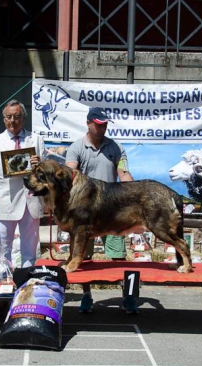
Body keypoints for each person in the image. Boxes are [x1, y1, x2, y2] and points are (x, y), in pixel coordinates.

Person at [65, 107, 137, 313]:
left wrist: (134, 195)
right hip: (85, 214)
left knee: (118, 256)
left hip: (112, 212)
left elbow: (124, 173)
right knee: (83, 258)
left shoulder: (116, 147)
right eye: (98, 124)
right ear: (88, 123)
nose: (102, 127)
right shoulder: (76, 148)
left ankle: (129, 297)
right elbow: (71, 177)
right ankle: (86, 296)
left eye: (105, 124)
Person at [0, 99, 46, 268]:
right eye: (9, 117)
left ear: (23, 118)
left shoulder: (36, 139)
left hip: (31, 202)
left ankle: (27, 284)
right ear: (3, 119)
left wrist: (39, 165)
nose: (13, 121)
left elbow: (46, 172)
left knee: (29, 251)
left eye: (17, 116)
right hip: (6, 202)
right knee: (4, 251)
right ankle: (4, 283)